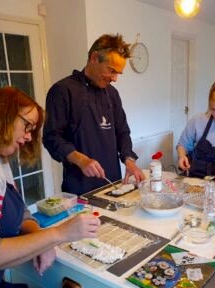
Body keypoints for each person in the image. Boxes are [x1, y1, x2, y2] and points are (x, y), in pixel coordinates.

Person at [0, 87, 100, 288]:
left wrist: (40, 238)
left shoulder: (2, 162)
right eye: (27, 126)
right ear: (3, 113)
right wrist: (58, 234)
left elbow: (22, 213)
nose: (28, 137)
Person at [43, 34, 145, 196]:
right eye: (111, 71)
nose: (115, 78)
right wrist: (81, 160)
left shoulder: (112, 94)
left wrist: (129, 160)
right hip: (79, 186)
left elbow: (122, 132)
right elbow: (51, 137)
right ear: (94, 58)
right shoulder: (63, 90)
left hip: (112, 183)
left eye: (118, 73)